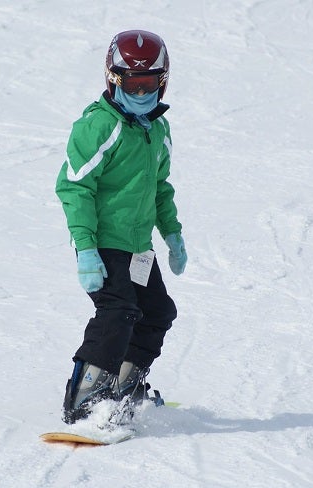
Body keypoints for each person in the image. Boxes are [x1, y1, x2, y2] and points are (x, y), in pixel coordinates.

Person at [55, 30, 187, 424]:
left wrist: (173, 234)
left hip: (138, 245)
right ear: (113, 79)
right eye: (133, 83)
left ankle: (125, 387)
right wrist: (86, 247)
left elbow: (158, 187)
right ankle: (85, 399)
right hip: (103, 242)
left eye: (149, 83)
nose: (142, 92)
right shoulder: (99, 127)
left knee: (158, 312)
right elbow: (74, 186)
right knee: (118, 311)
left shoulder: (157, 130)